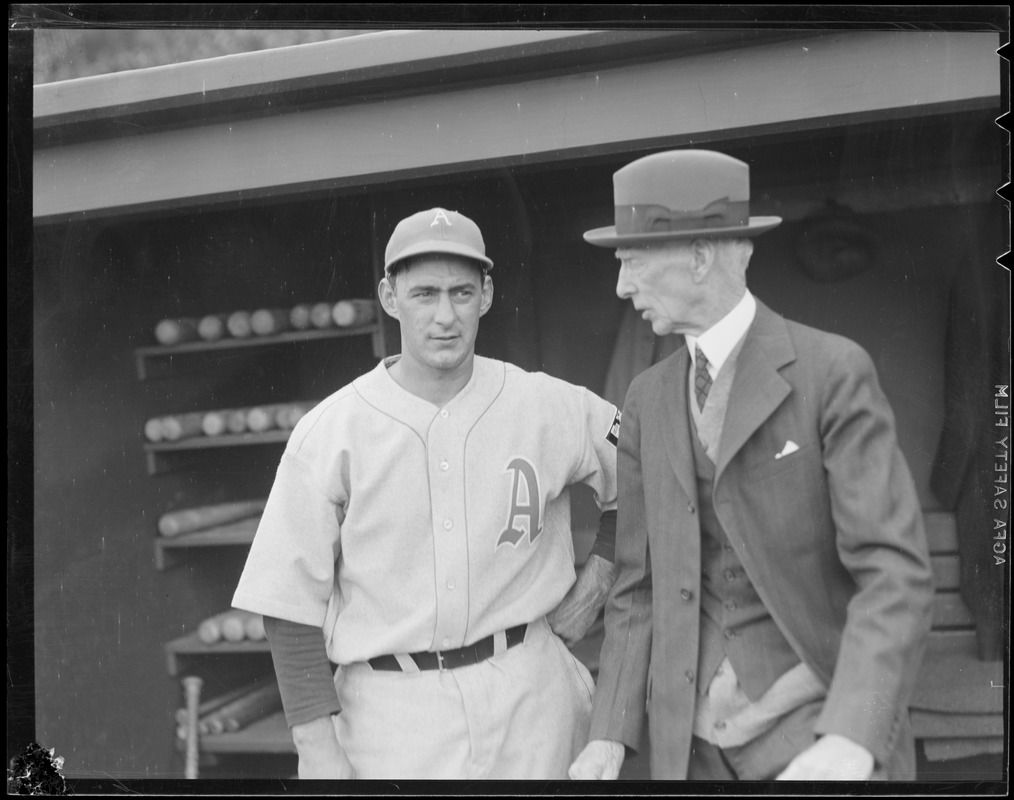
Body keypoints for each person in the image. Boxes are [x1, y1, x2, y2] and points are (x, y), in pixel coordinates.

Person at [569, 150, 935, 781]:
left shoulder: (831, 374)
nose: (622, 286)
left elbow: (894, 576)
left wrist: (854, 735)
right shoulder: (647, 399)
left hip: (815, 733)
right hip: (688, 749)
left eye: (631, 262)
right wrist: (609, 734)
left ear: (700, 256)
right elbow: (636, 587)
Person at [232, 207, 621, 780]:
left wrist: (596, 585)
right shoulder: (331, 429)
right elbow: (287, 605)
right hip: (390, 710)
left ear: (486, 294)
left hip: (530, 689)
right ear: (389, 297)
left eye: (462, 293)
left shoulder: (549, 403)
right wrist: (318, 749)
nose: (445, 316)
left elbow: (647, 473)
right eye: (424, 294)